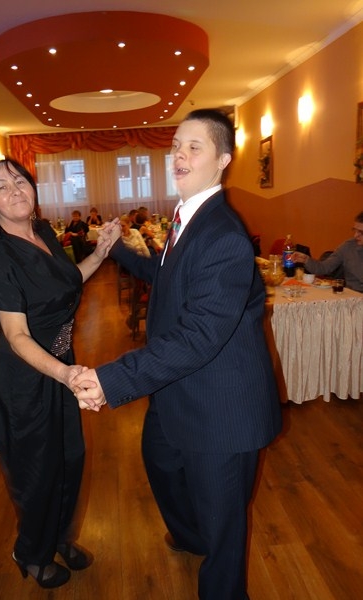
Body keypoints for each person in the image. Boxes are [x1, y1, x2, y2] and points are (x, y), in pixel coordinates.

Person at [73, 109, 282, 600]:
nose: (179, 155)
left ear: (223, 160)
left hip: (222, 407)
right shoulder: (188, 216)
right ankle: (190, 535)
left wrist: (111, 379)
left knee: (224, 525)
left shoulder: (222, 235)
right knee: (161, 462)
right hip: (178, 388)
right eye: (176, 145)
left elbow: (199, 336)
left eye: (194, 146)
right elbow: (168, 278)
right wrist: (116, 250)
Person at [0, 158, 117, 590]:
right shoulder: (1, 260)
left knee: (70, 459)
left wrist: (102, 251)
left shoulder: (43, 233)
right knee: (38, 471)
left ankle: (59, 537)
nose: (15, 190)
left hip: (59, 367)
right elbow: (16, 336)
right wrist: (66, 374)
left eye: (19, 180)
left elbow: (67, 282)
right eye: (1, 187)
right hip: (28, 379)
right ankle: (31, 552)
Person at [292, 212, 363, 292]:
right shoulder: (348, 246)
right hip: (352, 295)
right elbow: (324, 268)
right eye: (355, 230)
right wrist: (306, 260)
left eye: (361, 232)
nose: (355, 235)